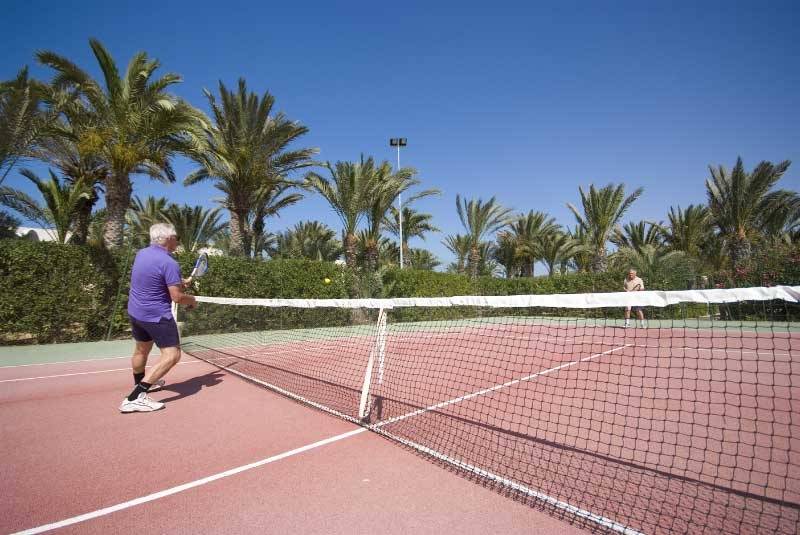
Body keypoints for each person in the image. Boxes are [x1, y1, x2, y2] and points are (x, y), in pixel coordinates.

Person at [119, 223, 197, 413]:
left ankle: (142, 384)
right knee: (172, 355)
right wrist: (192, 300)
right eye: (176, 237)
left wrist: (179, 283)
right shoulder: (169, 262)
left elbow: (153, 280)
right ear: (168, 239)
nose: (177, 240)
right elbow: (177, 297)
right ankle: (135, 397)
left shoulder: (142, 254)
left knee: (141, 350)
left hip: (136, 312)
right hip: (156, 315)